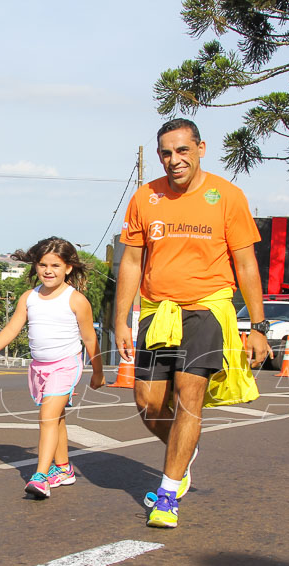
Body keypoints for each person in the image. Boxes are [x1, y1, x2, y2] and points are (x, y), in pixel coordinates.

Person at [114, 118, 269, 529]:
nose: (173, 160)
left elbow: (246, 263)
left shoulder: (228, 197)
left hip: (207, 307)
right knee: (148, 405)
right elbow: (131, 261)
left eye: (182, 150)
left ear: (201, 148)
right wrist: (121, 321)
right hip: (157, 311)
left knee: (188, 398)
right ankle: (184, 452)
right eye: (166, 152)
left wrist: (258, 324)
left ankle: (167, 494)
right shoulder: (145, 198)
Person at [0, 237, 104, 499]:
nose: (48, 270)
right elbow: (13, 327)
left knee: (46, 417)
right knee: (56, 418)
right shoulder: (29, 297)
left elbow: (90, 338)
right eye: (42, 264)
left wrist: (98, 372)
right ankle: (64, 469)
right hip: (38, 367)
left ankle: (40, 475)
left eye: (55, 265)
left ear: (68, 268)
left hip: (66, 365)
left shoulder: (76, 300)